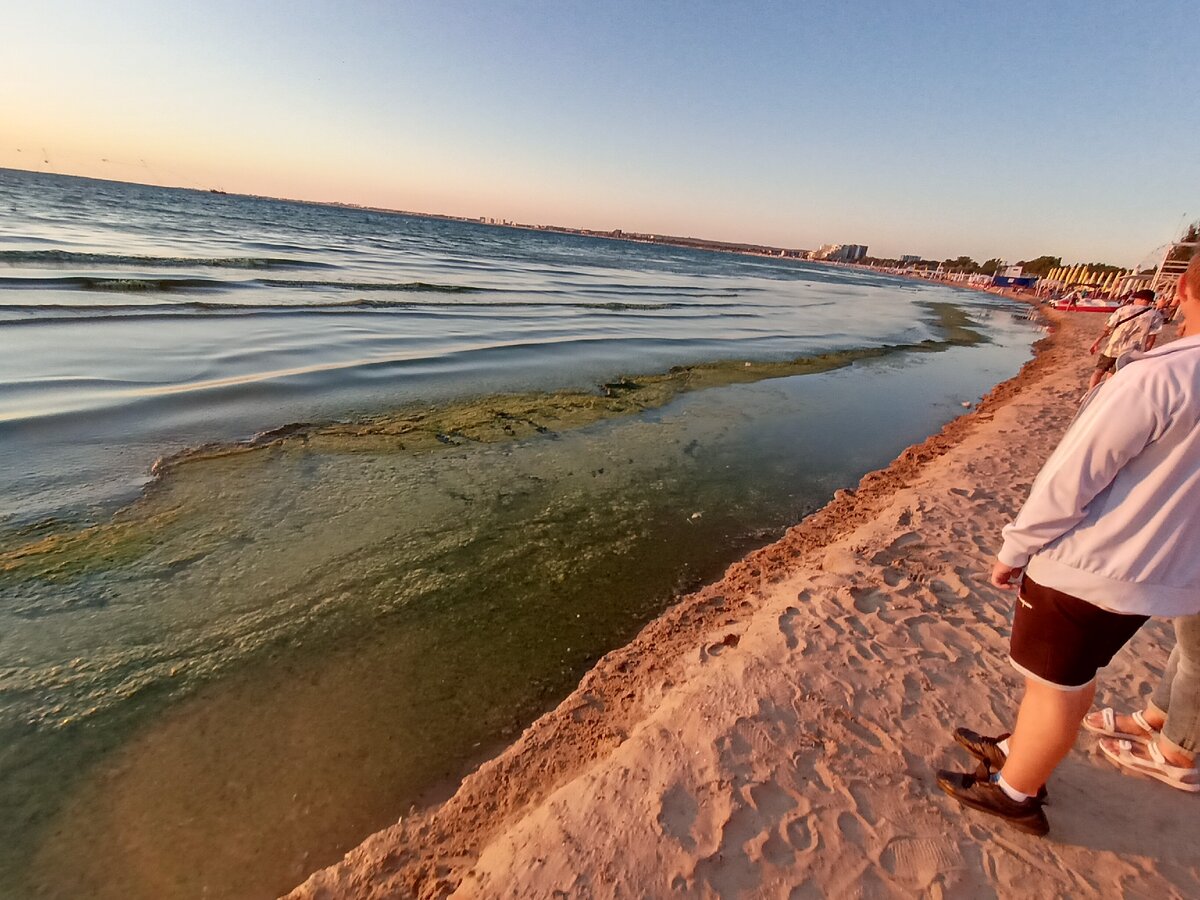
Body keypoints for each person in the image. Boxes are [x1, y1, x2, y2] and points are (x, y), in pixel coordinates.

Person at [937, 251, 1200, 835]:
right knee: (1062, 674)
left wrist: (1014, 548)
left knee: (1060, 685)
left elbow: (1072, 476)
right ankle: (1017, 748)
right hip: (1158, 572)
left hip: (1095, 562)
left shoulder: (1160, 374)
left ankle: (1016, 793)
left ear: (1181, 289)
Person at [1087, 288, 1163, 390]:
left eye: (1136, 298)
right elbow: (1152, 336)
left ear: (1141, 299)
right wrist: (1145, 353)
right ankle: (1103, 394)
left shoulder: (1123, 310)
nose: (1134, 300)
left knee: (1099, 371)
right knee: (1113, 375)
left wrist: (1096, 342)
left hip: (1113, 346)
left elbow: (1107, 328)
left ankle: (1090, 392)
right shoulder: (1155, 315)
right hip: (1132, 350)